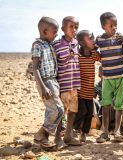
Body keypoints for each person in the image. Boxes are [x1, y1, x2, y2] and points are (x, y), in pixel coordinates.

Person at [32, 17, 65, 149]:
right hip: (45, 81)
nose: (56, 34)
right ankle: (41, 134)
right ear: (45, 31)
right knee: (58, 109)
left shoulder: (49, 44)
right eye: (54, 32)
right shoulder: (37, 45)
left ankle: (43, 137)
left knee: (54, 110)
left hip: (53, 80)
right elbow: (35, 68)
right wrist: (43, 86)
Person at [95, 12, 123, 143]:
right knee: (106, 105)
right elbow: (92, 50)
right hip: (106, 78)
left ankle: (117, 131)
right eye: (111, 25)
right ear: (103, 27)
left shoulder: (120, 39)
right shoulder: (100, 40)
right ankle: (105, 132)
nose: (114, 28)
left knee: (119, 105)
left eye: (116, 25)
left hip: (120, 77)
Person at [53, 16, 81, 146]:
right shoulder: (57, 45)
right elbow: (54, 64)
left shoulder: (77, 43)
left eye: (76, 27)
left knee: (73, 110)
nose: (74, 30)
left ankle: (68, 135)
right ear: (63, 28)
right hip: (63, 85)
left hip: (74, 84)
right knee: (61, 112)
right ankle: (57, 138)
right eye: (71, 27)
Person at [73, 30, 100, 142]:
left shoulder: (93, 55)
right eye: (90, 38)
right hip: (80, 91)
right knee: (82, 111)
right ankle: (73, 129)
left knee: (89, 113)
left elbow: (101, 58)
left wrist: (96, 46)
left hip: (89, 91)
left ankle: (84, 133)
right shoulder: (78, 56)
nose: (93, 40)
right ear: (82, 43)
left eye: (93, 38)